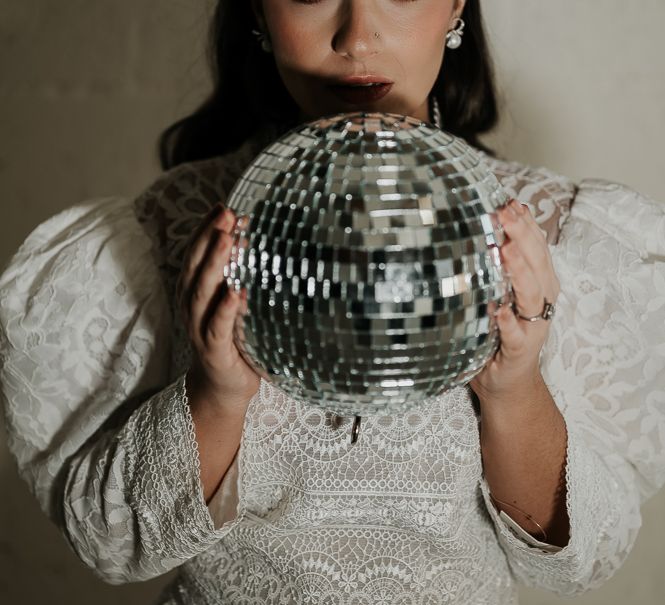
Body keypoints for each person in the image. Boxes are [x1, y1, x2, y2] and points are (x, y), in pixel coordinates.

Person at [1, 1, 663, 603]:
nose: (357, 35)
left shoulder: (555, 234)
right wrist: (216, 392)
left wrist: (513, 388)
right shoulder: (162, 232)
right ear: (257, 12)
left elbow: (577, 564)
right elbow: (113, 547)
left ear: (456, 5)